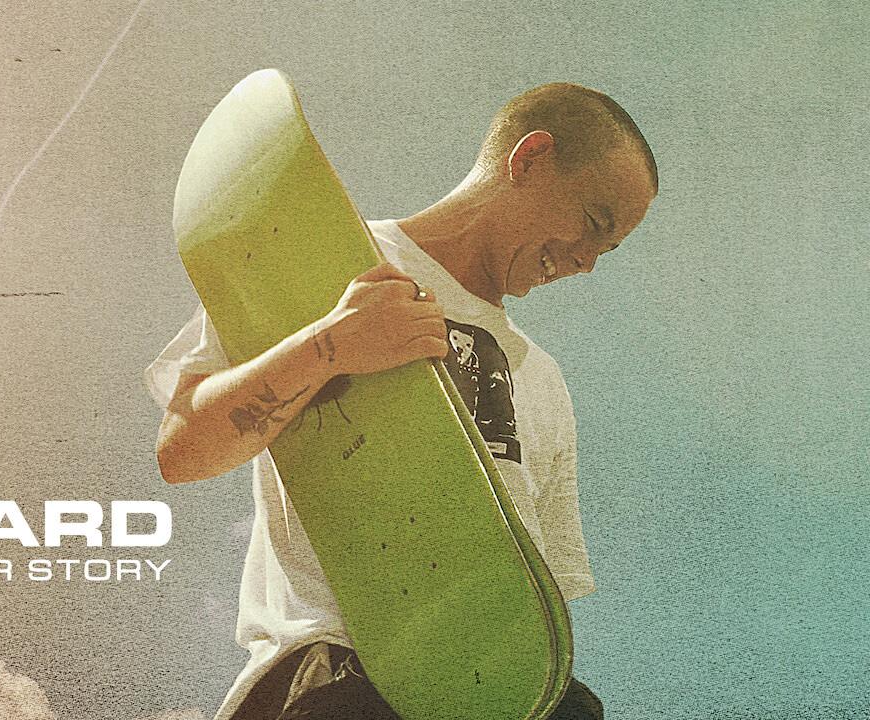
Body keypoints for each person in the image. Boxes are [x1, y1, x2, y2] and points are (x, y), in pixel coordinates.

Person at [144, 82, 658, 719]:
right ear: (529, 159)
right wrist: (330, 346)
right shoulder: (327, 261)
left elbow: (537, 607)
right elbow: (183, 451)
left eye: (606, 250)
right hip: (336, 676)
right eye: (593, 224)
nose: (586, 263)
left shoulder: (543, 380)